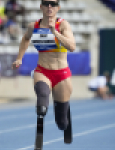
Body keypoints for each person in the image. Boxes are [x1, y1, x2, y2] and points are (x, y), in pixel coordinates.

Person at [12, 0, 75, 134]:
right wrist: (19, 58)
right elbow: (25, 39)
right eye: (46, 3)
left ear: (58, 8)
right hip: (43, 70)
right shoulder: (33, 26)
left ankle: (64, 120)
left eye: (53, 4)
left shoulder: (63, 24)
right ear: (41, 7)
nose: (49, 6)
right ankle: (40, 118)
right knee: (42, 98)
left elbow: (72, 47)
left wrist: (55, 33)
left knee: (62, 123)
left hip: (61, 74)